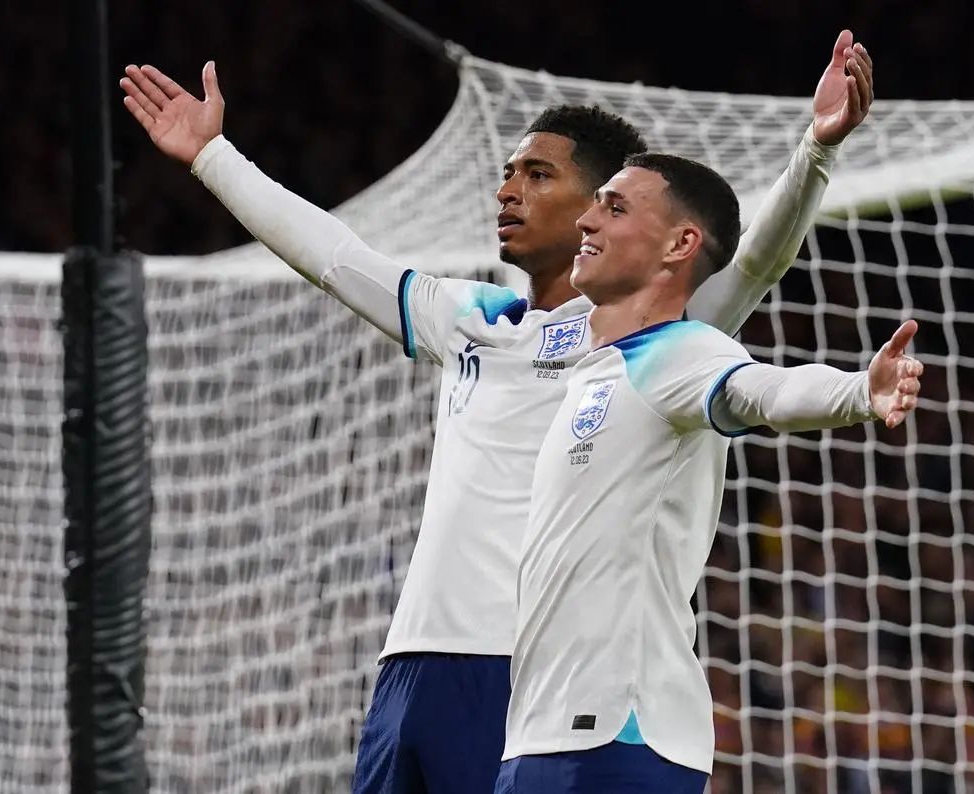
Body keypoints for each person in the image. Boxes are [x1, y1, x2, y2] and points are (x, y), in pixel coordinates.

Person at [118, 30, 876, 794]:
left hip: (532, 676)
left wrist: (815, 150)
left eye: (537, 175)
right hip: (410, 667)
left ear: (600, 207)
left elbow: (754, 260)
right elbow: (334, 257)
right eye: (507, 173)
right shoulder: (472, 318)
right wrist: (214, 157)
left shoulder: (654, 334)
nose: (506, 190)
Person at [496, 152, 924, 793]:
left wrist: (860, 392)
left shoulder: (680, 350)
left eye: (614, 207)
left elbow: (763, 391)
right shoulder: (595, 369)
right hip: (544, 733)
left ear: (680, 244)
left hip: (613, 733)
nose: (586, 220)